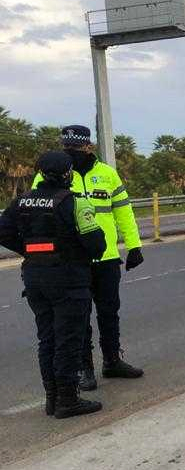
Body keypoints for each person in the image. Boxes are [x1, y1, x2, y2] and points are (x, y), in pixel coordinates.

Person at [33, 125, 145, 390]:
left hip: (106, 257)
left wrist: (134, 245)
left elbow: (123, 212)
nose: (72, 152)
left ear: (89, 147)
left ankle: (112, 361)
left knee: (109, 312)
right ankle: (85, 369)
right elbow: (37, 217)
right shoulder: (47, 176)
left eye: (77, 147)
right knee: (78, 317)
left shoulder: (107, 174)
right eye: (67, 147)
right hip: (72, 261)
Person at [0, 152, 107, 418]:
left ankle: (52, 398)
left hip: (35, 277)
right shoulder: (74, 203)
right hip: (69, 279)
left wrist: (30, 249)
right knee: (69, 340)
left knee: (47, 338)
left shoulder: (21, 202)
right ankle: (68, 400)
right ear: (66, 174)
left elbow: (3, 232)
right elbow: (97, 245)